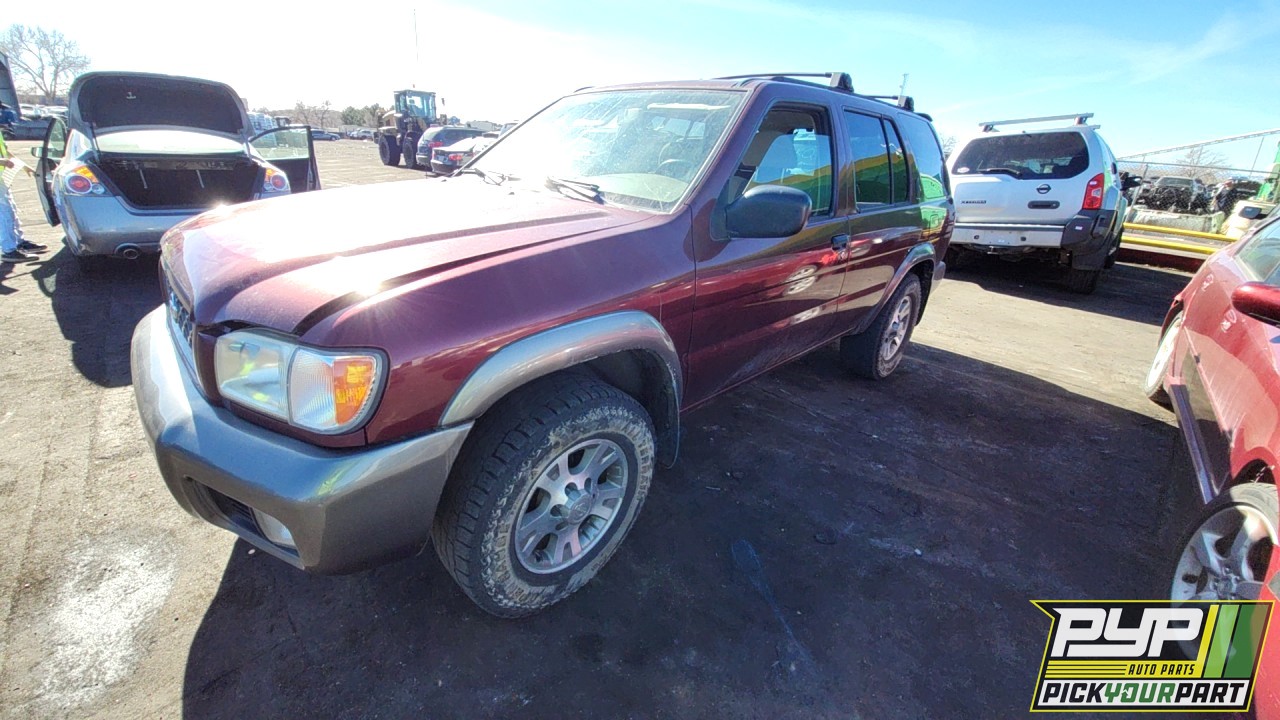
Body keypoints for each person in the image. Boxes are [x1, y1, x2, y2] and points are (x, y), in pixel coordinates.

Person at [0, 128, 48, 264]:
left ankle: (18, 243)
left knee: (11, 212)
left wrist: (24, 166)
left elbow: (5, 151)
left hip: (2, 180)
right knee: (4, 215)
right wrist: (3, 162)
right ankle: (8, 250)